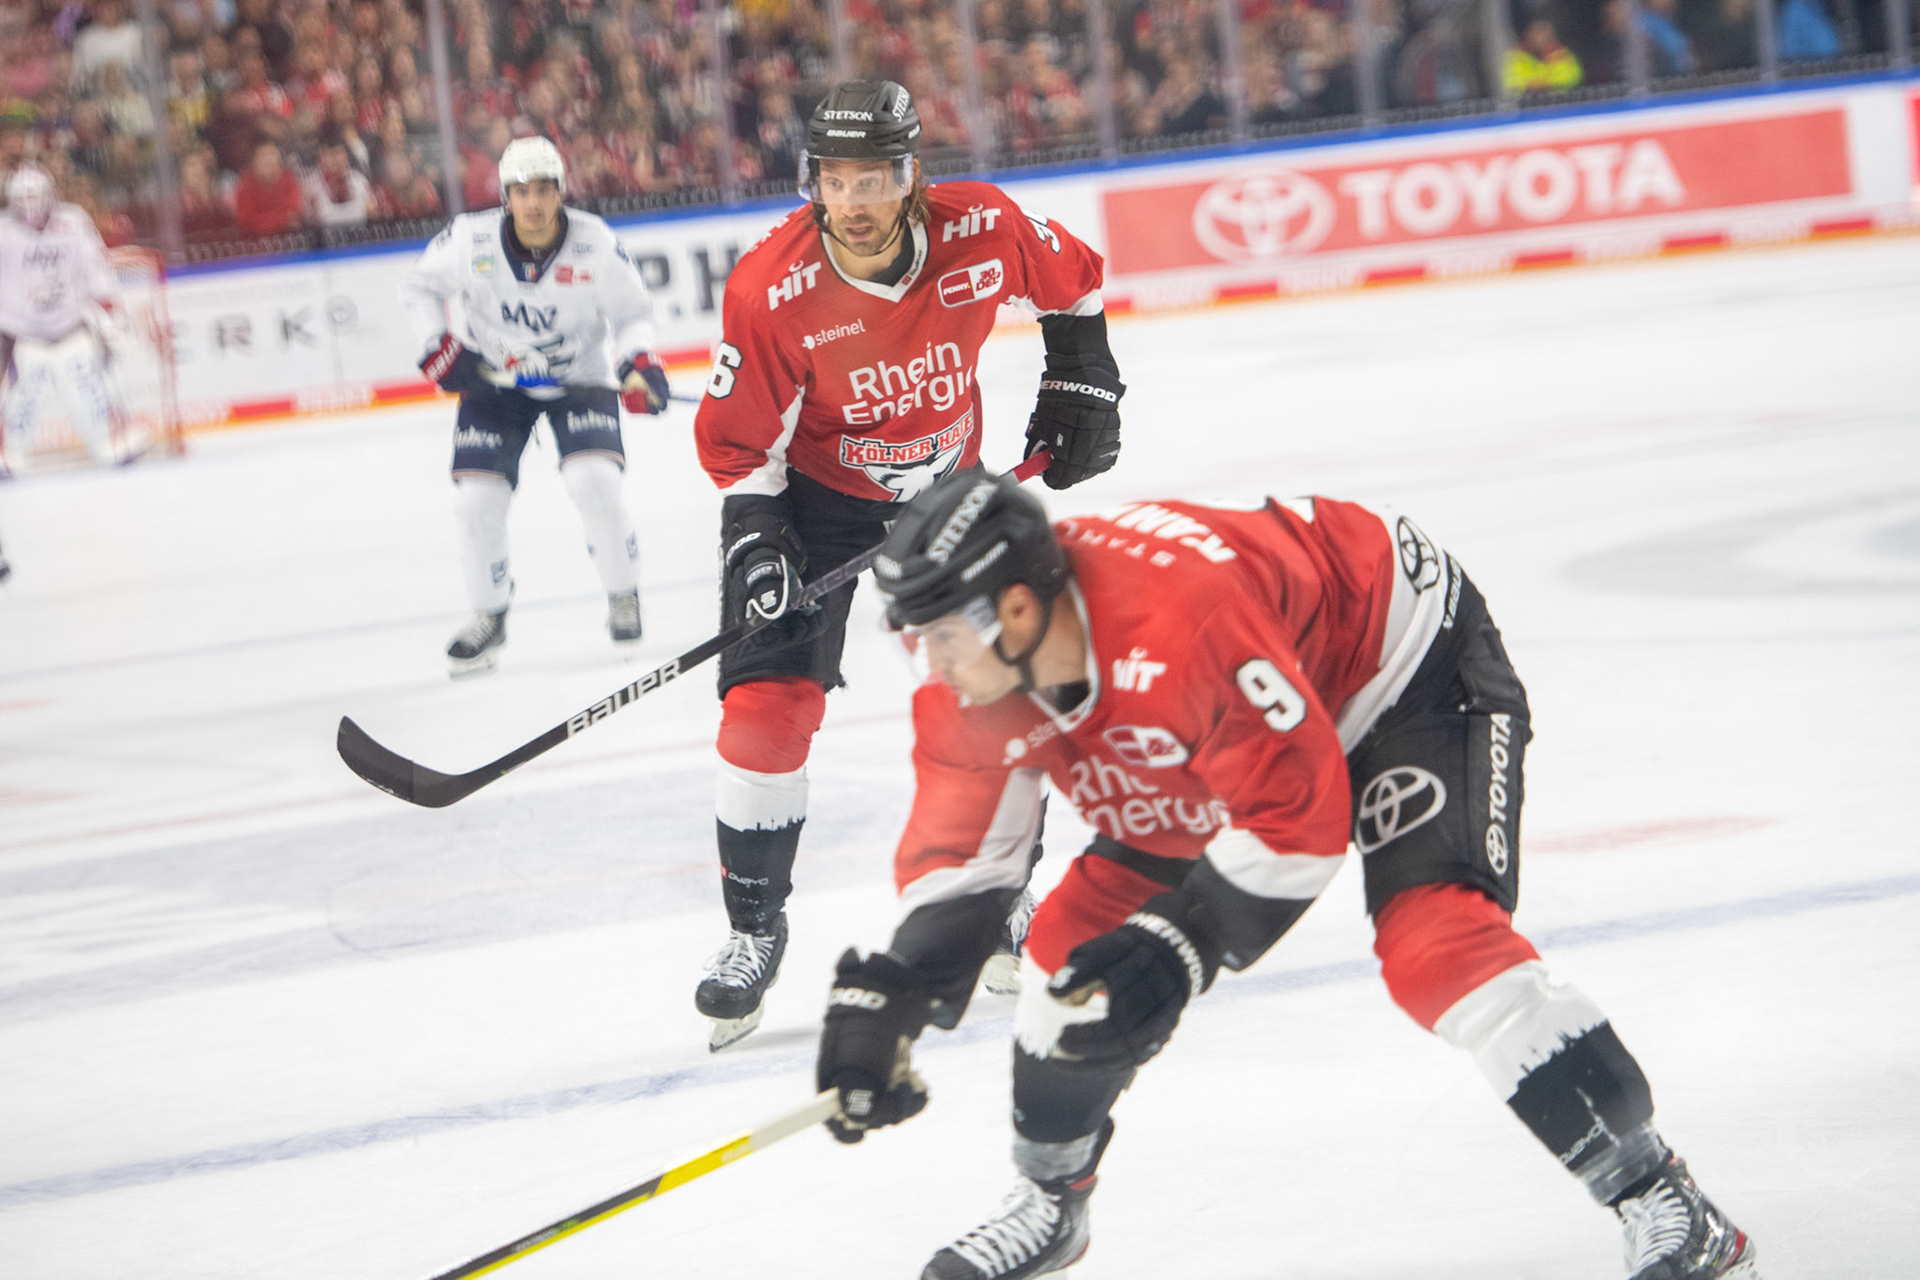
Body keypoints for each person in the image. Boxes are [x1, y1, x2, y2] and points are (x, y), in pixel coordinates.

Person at [813, 470, 1761, 1280]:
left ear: (1015, 608)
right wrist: (894, 992)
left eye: (938, 635)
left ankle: (1664, 1196)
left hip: (1394, 674)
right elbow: (966, 867)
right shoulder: (974, 680)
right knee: (1070, 961)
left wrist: (1178, 949)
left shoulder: (1179, 618)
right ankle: (1051, 1202)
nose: (927, 665)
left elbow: (1295, 818)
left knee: (1438, 946)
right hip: (1222, 725)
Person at [688, 78, 1125, 1051]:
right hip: (818, 503)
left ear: (911, 174)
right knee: (764, 713)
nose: (856, 201)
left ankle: (1005, 896)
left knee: (1003, 687)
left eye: (876, 177)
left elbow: (1076, 278)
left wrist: (1081, 378)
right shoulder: (771, 287)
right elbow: (739, 446)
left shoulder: (982, 228)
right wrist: (759, 539)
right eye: (835, 180)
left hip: (954, 492)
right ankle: (753, 930)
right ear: (814, 183)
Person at [399, 136, 671, 678]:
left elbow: (633, 313)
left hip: (580, 378)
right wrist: (438, 348)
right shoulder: (469, 239)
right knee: (476, 502)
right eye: (523, 191)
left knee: (595, 484)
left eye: (545, 189)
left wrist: (639, 361)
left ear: (560, 192)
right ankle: (489, 614)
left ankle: (623, 593)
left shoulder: (595, 244)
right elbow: (417, 287)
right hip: (494, 381)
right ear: (506, 195)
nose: (534, 203)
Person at [0, 165, 146, 468]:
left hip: (71, 325)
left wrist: (108, 305)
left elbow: (94, 263)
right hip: (24, 332)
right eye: (22, 197)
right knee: (25, 395)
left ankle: (108, 444)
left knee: (87, 384)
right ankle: (11, 456)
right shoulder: (3, 231)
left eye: (35, 195)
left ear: (49, 194)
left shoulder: (72, 220)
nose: (30, 204)